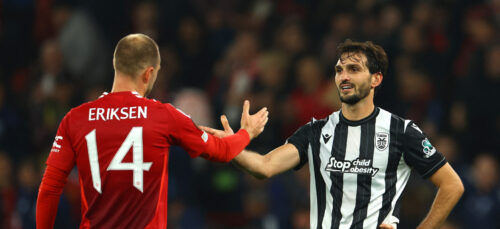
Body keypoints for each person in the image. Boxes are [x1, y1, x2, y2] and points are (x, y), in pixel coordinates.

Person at [201, 40, 464, 229]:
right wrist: (233, 145)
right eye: (339, 70)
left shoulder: (402, 131)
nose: (343, 76)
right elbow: (265, 167)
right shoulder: (315, 131)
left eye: (354, 69)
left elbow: (452, 185)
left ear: (376, 79)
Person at [36, 33, 269, 229]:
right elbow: (222, 151)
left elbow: (49, 188)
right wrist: (246, 133)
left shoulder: (75, 118)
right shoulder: (162, 115)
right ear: (148, 74)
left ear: (116, 66)